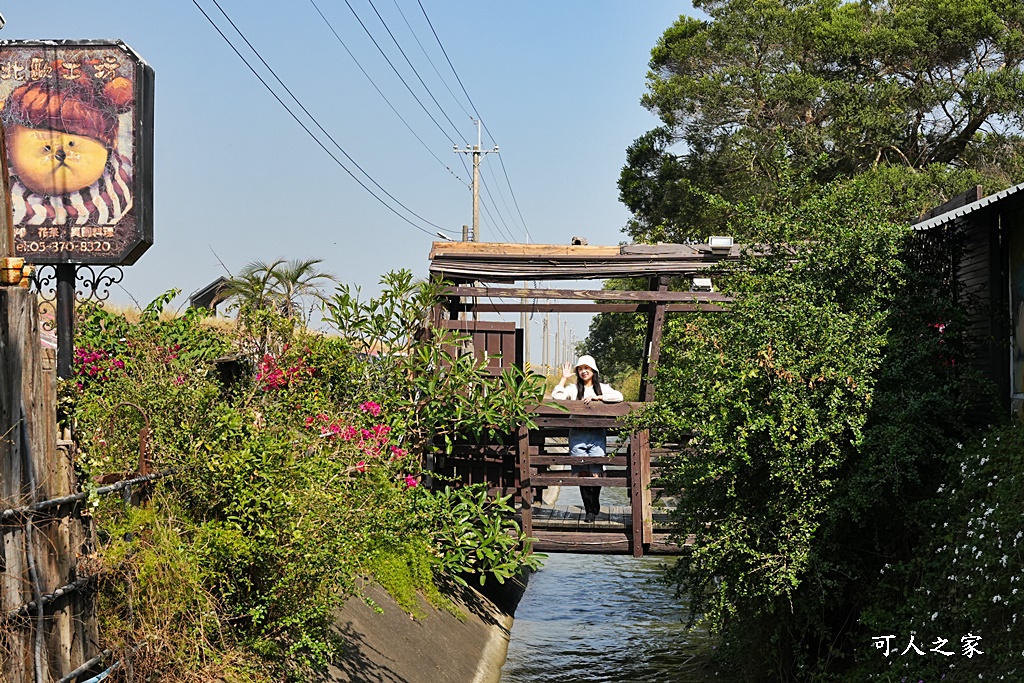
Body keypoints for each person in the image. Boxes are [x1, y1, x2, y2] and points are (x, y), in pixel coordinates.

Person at [551, 355, 623, 522]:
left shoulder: (602, 388)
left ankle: (594, 502)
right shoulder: (573, 389)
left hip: (597, 434)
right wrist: (563, 378)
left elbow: (619, 396)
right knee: (582, 473)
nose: (583, 371)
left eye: (587, 368)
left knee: (596, 472)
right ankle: (589, 511)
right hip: (578, 434)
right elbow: (557, 397)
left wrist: (599, 398)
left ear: (593, 371)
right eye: (580, 369)